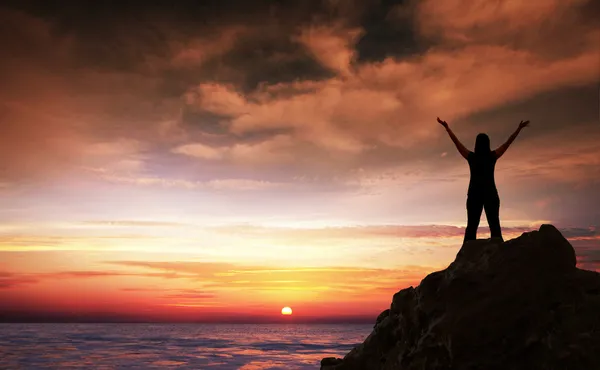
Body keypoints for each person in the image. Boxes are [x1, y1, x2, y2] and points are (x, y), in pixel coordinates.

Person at [437, 117, 530, 242]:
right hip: (490, 193)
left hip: (475, 194)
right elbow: (507, 143)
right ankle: (498, 256)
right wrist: (518, 129)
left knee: (471, 228)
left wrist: (448, 129)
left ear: (476, 144)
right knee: (495, 228)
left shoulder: (472, 157)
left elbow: (457, 143)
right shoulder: (492, 156)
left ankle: (468, 257)